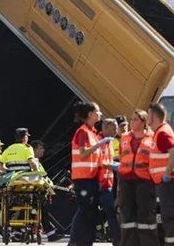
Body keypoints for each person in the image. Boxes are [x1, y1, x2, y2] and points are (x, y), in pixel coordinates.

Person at [69, 101, 110, 246]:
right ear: (91, 114)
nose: (100, 114)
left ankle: (86, 241)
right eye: (97, 111)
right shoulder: (83, 132)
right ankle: (75, 242)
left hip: (91, 178)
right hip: (83, 178)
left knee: (91, 210)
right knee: (85, 210)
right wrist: (100, 144)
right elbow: (83, 152)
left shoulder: (91, 133)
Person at [119, 109, 158, 246]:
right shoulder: (124, 137)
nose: (132, 122)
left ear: (143, 122)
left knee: (145, 215)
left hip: (145, 181)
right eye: (131, 119)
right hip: (126, 180)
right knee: (127, 214)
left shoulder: (152, 138)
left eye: (135, 119)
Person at [147, 103, 174, 246]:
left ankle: (173, 244)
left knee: (169, 216)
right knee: (169, 215)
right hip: (167, 181)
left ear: (154, 116)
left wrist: (166, 174)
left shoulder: (162, 133)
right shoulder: (161, 131)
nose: (147, 117)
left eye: (148, 114)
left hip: (168, 181)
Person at [97, 118, 120, 245]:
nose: (116, 130)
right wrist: (115, 166)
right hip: (96, 184)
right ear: (106, 128)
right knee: (86, 212)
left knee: (111, 211)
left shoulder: (110, 143)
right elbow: (98, 162)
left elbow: (109, 161)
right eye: (114, 128)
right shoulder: (98, 141)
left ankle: (117, 239)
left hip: (107, 184)